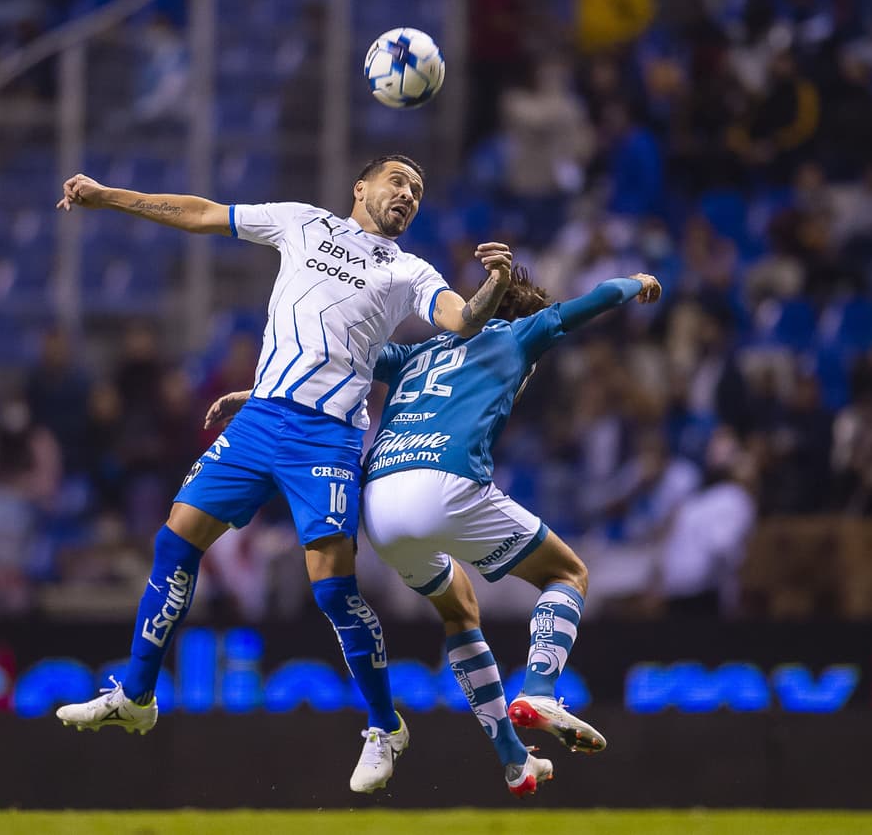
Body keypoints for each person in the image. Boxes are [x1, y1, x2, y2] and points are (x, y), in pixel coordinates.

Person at [53, 155, 514, 793]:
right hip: (260, 420)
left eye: (418, 189)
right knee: (173, 540)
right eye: (397, 181)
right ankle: (136, 694)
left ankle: (386, 726)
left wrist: (491, 284)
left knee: (330, 590)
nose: (408, 193)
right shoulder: (301, 223)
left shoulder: (409, 270)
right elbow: (202, 212)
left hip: (326, 437)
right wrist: (108, 197)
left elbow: (462, 319)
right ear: (362, 187)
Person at [208, 268, 662, 797]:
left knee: (458, 611)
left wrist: (259, 396)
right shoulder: (516, 334)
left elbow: (329, 359)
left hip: (377, 507)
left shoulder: (412, 354)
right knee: (568, 574)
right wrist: (637, 282)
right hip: (446, 484)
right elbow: (591, 302)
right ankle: (540, 689)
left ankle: (515, 760)